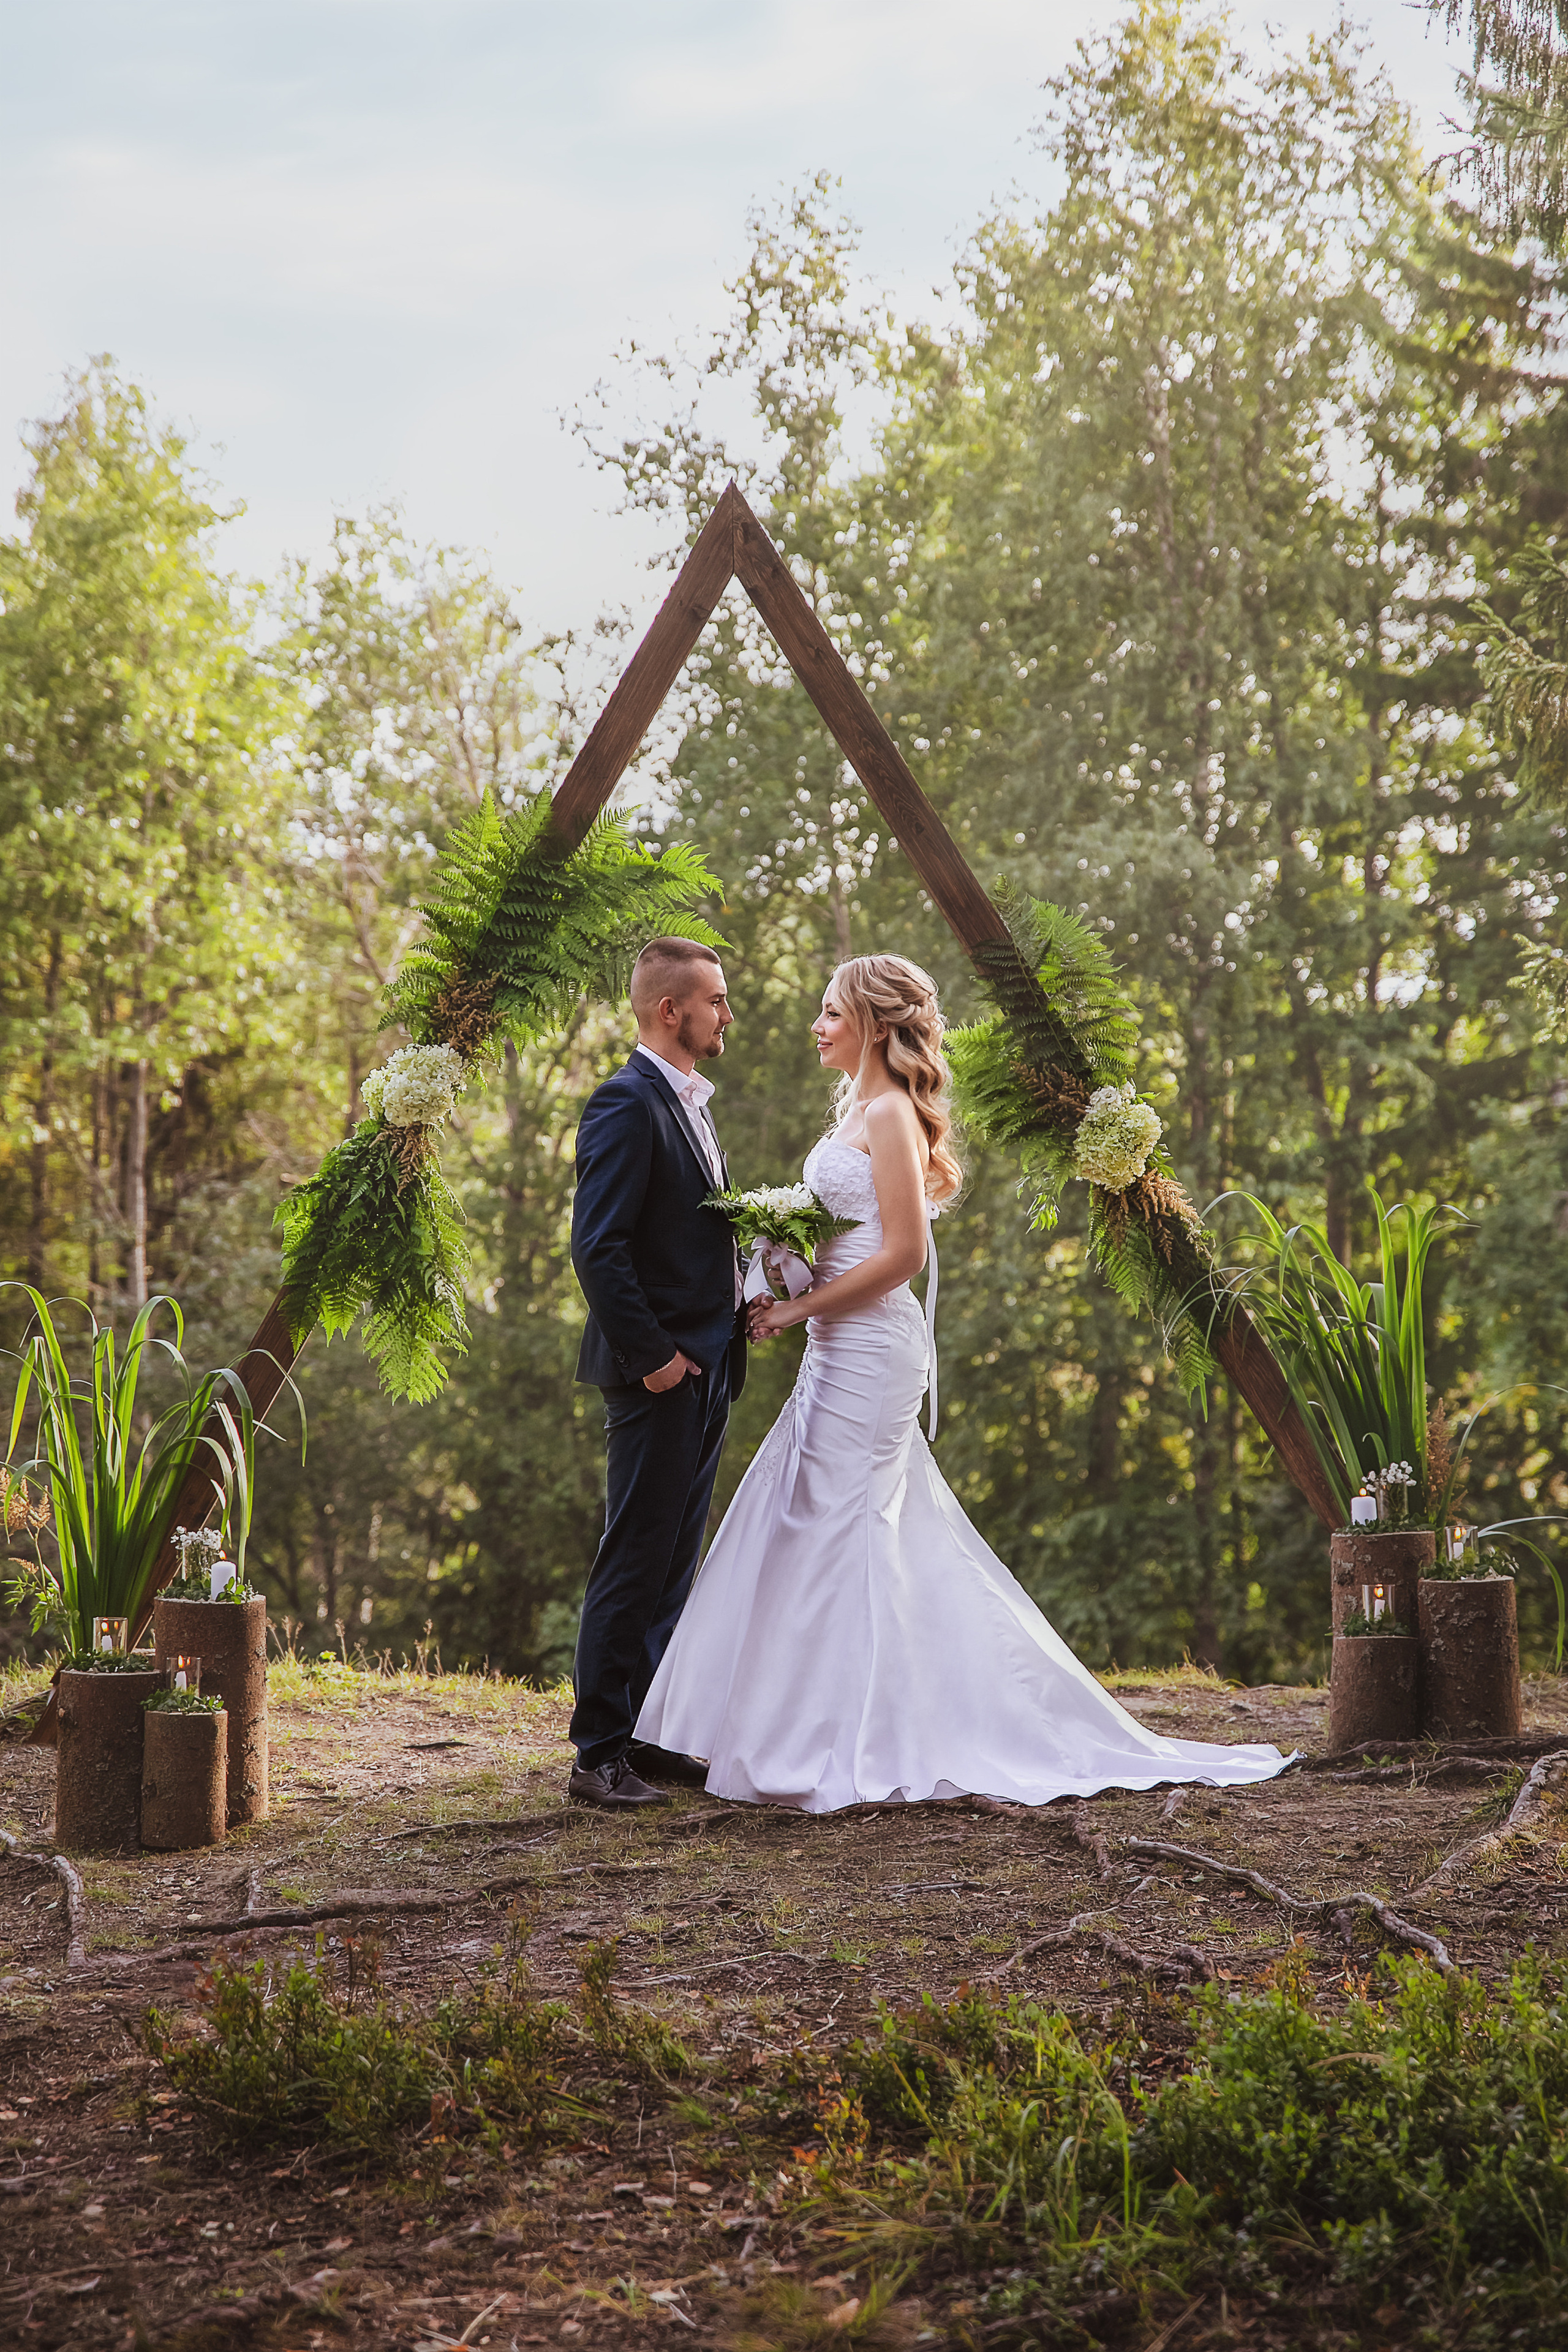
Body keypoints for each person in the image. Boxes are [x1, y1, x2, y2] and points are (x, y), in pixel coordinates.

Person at [635, 952, 1294, 1812]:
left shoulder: (894, 1116)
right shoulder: (857, 1115)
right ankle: (795, 1725)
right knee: (812, 1519)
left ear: (872, 1023)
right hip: (838, 1343)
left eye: (831, 1013)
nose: (817, 1027)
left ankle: (847, 1738)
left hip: (869, 1349)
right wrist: (781, 1266)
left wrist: (802, 1310)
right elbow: (851, 1236)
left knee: (840, 1524)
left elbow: (904, 1256)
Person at [567, 937, 745, 1809]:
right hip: (659, 1375)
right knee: (634, 1559)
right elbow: (599, 1251)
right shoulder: (625, 1103)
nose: (725, 1013)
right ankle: (596, 1752)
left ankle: (642, 1733)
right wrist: (658, 1362)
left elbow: (686, 1238)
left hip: (708, 1367)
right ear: (669, 1011)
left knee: (675, 1561)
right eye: (715, 998)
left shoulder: (694, 1105)